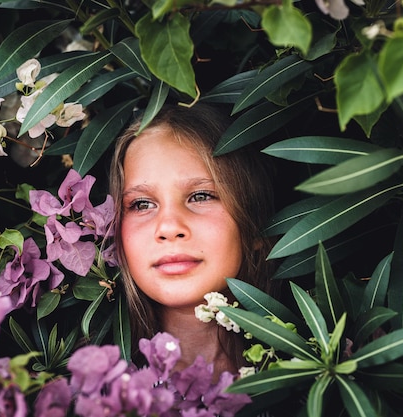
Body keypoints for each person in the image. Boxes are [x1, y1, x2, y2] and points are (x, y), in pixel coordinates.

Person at [109, 103, 277, 378]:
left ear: (255, 224)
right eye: (141, 204)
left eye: (201, 196)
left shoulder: (313, 383)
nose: (169, 227)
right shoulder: (80, 389)